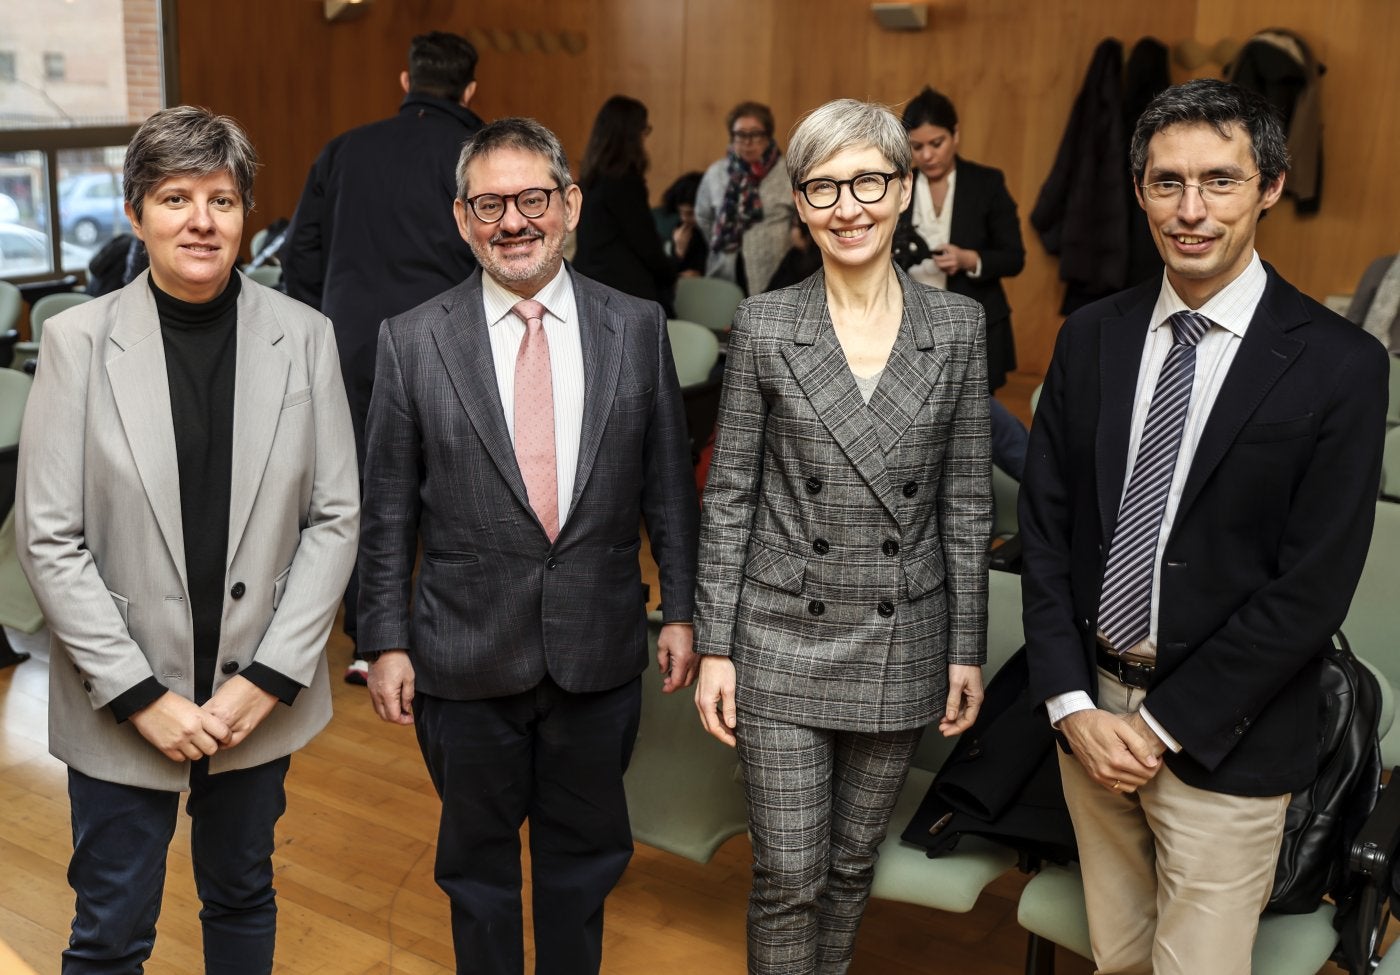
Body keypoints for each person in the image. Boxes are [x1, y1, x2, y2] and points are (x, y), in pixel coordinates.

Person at [1020, 78, 1388, 975]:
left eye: (1219, 181)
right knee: (1119, 959)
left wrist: (1163, 726)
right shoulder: (1091, 335)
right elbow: (1045, 528)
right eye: (1166, 182)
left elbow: (1312, 586)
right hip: (1091, 720)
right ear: (1139, 189)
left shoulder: (1342, 364)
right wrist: (1072, 703)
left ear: (1269, 186)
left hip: (1228, 734)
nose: (1190, 211)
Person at [15, 106, 359, 975]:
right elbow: (50, 540)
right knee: (110, 930)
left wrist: (270, 679)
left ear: (248, 213)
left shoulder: (307, 339)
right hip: (121, 699)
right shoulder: (75, 342)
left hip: (254, 698)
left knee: (242, 896)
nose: (202, 221)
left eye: (222, 198)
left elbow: (334, 518)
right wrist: (139, 695)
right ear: (135, 213)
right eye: (175, 197)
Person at [358, 116, 700, 975]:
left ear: (570, 204)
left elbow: (668, 486)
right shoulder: (411, 340)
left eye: (533, 199)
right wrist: (383, 640)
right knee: (475, 872)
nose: (513, 221)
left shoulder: (637, 326)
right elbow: (388, 507)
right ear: (461, 217)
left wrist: (686, 611)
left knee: (583, 866)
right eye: (490, 204)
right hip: (461, 658)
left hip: (599, 647)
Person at [694, 98, 992, 974]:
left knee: (853, 862)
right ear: (802, 201)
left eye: (868, 180)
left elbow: (968, 502)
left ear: (903, 188)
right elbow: (731, 496)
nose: (847, 205)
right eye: (823, 186)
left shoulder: (959, 328)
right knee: (789, 871)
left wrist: (965, 646)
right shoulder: (765, 325)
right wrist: (717, 645)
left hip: (903, 636)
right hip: (781, 636)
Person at [281, 30, 483, 679]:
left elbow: (300, 258)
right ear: (471, 91)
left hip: (351, 346)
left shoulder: (345, 149)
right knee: (456, 489)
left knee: (362, 491)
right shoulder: (478, 158)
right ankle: (452, 629)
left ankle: (372, 639)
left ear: (406, 81)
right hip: (448, 345)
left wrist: (325, 330)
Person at [897, 86, 1029, 479]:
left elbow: (1015, 257)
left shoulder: (986, 183)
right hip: (908, 326)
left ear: (955, 134)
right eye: (916, 147)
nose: (927, 155)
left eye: (936, 143)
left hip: (973, 325)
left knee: (973, 427)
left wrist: (972, 259)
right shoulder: (898, 184)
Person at [572, 94, 676, 307]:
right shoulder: (624, 182)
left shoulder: (588, 179)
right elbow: (646, 245)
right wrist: (674, 266)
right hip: (622, 294)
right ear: (632, 135)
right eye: (644, 132)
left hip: (586, 286)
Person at [695, 101, 794, 295]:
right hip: (725, 270)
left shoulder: (788, 173)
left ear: (768, 136)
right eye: (741, 135)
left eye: (755, 134)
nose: (748, 142)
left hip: (776, 272)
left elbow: (801, 218)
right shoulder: (716, 173)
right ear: (732, 137)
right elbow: (703, 217)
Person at [658, 170, 708, 277]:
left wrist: (701, 274)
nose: (684, 218)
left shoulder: (719, 231)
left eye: (690, 213)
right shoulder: (681, 229)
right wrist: (678, 252)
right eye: (680, 212)